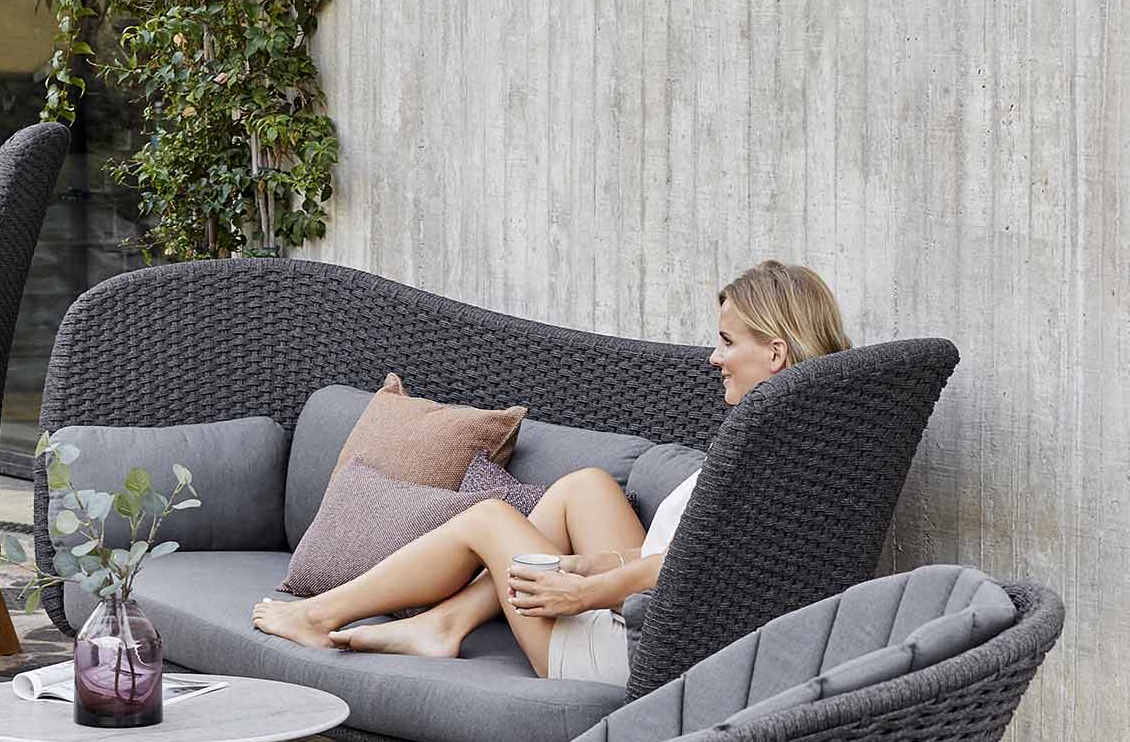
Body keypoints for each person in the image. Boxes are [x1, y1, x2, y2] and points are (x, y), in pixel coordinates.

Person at [253, 261, 853, 685]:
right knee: (584, 486)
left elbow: (705, 563)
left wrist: (587, 589)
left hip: (632, 654)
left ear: (774, 352)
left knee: (490, 518)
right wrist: (591, 565)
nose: (713, 357)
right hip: (653, 612)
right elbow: (704, 553)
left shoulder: (770, 449)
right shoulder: (807, 436)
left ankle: (321, 614)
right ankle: (444, 622)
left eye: (726, 342)